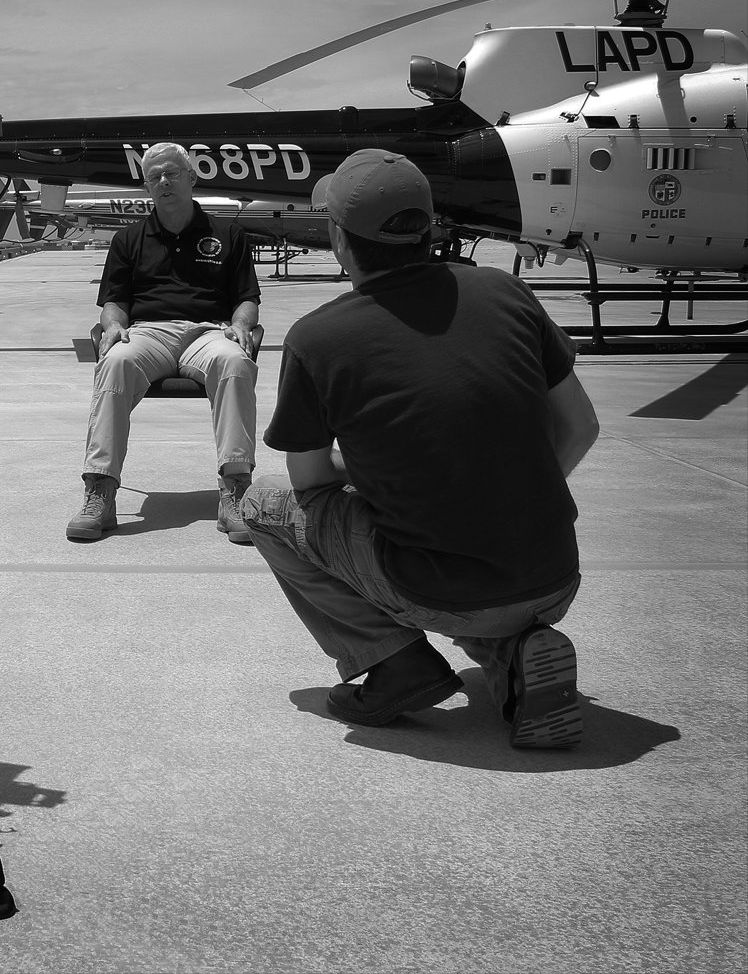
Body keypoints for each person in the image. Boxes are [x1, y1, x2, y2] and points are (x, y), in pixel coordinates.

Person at [240, 150, 600, 748]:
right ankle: (514, 651)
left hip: (439, 590)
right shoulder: (506, 292)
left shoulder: (318, 338)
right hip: (555, 576)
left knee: (262, 508)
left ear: (338, 237)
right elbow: (581, 427)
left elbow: (309, 485)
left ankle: (394, 660)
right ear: (427, 227)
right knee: (459, 551)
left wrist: (371, 470)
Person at [68, 142, 262, 543]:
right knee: (116, 361)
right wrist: (113, 328)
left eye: (172, 173)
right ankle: (99, 490)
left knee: (235, 362)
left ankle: (234, 489)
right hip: (148, 332)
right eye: (154, 176)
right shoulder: (128, 238)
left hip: (209, 331)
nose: (163, 181)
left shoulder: (228, 233)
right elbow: (114, 301)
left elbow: (246, 297)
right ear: (146, 187)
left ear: (191, 178)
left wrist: (242, 324)